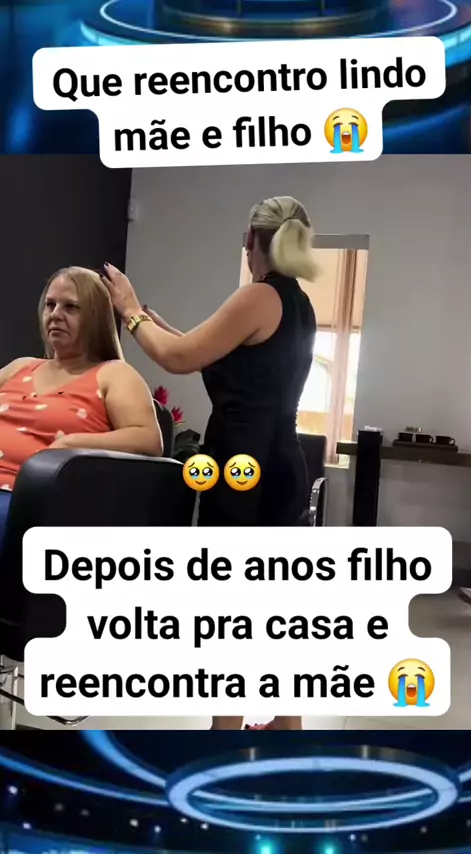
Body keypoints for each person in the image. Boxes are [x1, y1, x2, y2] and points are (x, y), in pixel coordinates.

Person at [102, 195, 319, 731]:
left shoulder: (258, 296)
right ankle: (285, 722)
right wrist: (162, 327)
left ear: (251, 241)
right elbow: (217, 357)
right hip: (278, 466)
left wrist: (129, 309)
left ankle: (224, 732)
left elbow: (179, 360)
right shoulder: (298, 303)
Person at [0, 266, 163, 549]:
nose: (55, 314)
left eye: (71, 307)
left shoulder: (113, 374)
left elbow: (148, 439)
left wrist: (71, 443)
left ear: (96, 316)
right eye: (50, 305)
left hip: (28, 499)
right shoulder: (20, 367)